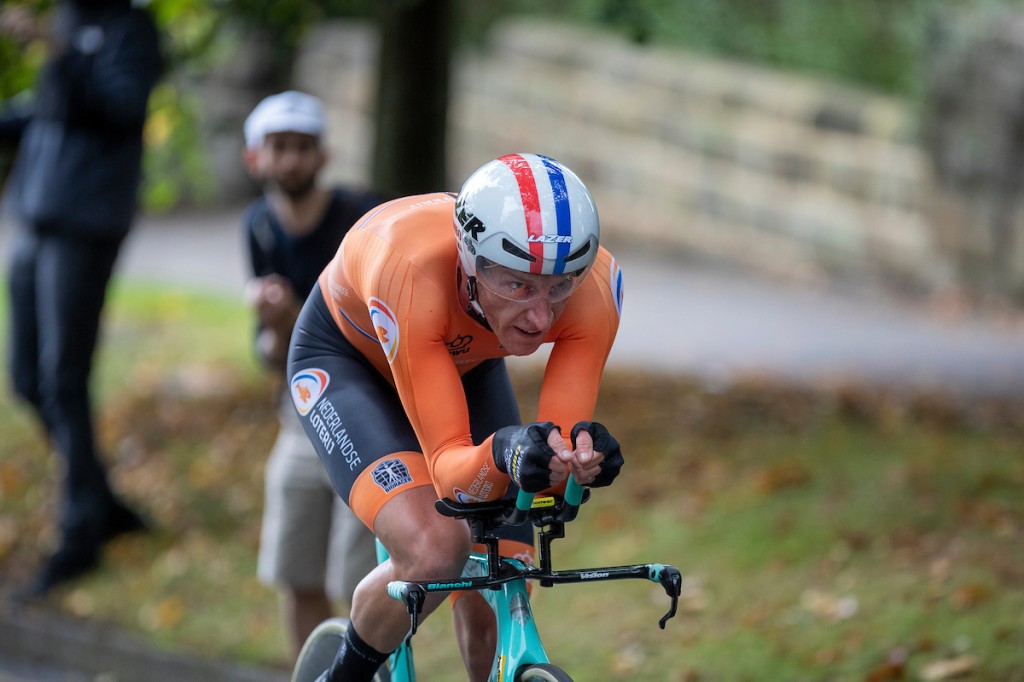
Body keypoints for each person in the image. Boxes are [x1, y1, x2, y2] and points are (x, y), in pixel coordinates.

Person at [286, 152, 627, 681]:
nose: (541, 315)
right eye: (517, 285)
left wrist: (577, 461)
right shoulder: (414, 271)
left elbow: (551, 456)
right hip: (347, 361)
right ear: (470, 263)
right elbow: (450, 472)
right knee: (435, 549)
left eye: (559, 287)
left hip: (460, 359)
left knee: (502, 569)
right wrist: (505, 453)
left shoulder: (594, 288)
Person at [0, 0, 162, 599]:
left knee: (64, 379)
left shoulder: (130, 29)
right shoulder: (69, 22)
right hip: (36, 222)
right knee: (25, 378)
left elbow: (119, 110)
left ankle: (80, 535)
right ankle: (100, 500)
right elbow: (51, 115)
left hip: (85, 227)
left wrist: (60, 54)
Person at [241, 90, 380, 660]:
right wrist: (270, 325)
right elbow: (277, 354)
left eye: (303, 147)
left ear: (324, 156)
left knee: (360, 581)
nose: (292, 160)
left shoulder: (362, 218)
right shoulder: (259, 226)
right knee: (296, 567)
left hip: (370, 414)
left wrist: (293, 315)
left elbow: (373, 332)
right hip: (300, 414)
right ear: (256, 158)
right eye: (280, 147)